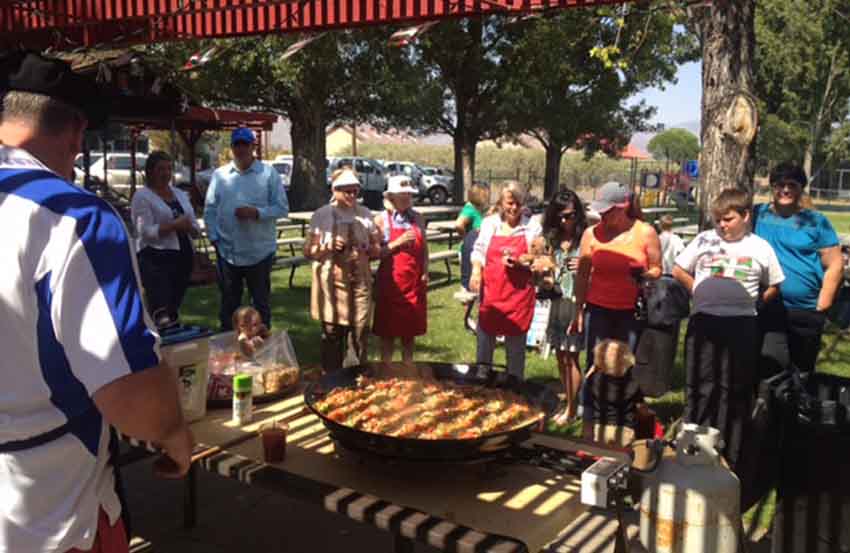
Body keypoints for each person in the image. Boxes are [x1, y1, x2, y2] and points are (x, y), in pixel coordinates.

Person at [0, 51, 193, 553]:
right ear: (75, 136)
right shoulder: (74, 217)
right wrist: (173, 431)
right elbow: (128, 389)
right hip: (50, 511)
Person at [673, 188, 784, 470]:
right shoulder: (704, 241)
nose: (722, 225)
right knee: (700, 384)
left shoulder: (760, 247)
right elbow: (679, 269)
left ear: (745, 216)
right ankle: (692, 448)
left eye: (728, 219)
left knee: (733, 389)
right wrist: (697, 290)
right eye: (718, 220)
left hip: (741, 325)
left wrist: (755, 303)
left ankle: (728, 455)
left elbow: (773, 284)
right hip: (704, 322)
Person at [754, 162, 843, 375]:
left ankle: (799, 409)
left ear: (800, 188)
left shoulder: (815, 221)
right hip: (768, 306)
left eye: (792, 185)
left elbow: (835, 264)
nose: (785, 190)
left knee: (802, 372)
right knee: (772, 367)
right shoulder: (757, 215)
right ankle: (772, 408)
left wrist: (823, 304)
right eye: (780, 185)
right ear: (772, 187)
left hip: (806, 310)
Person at [203, 127, 289, 331]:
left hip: (259, 252)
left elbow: (282, 208)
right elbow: (210, 209)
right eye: (237, 144)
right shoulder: (220, 175)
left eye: (245, 144)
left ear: (253, 147)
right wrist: (214, 237)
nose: (241, 149)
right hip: (228, 252)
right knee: (228, 306)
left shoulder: (268, 174)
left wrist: (257, 212)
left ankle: (262, 352)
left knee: (260, 306)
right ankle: (228, 354)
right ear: (232, 147)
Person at [573, 181, 662, 368]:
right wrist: (579, 308)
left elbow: (657, 269)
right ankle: (591, 397)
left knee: (624, 364)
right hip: (597, 309)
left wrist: (644, 275)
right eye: (600, 211)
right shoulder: (591, 234)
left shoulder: (645, 232)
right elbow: (582, 274)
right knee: (595, 362)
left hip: (631, 311)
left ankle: (623, 397)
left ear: (624, 207)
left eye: (608, 211)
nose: (602, 215)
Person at [304, 168, 382, 372]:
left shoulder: (365, 214)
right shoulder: (321, 215)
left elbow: (377, 248)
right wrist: (327, 247)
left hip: (359, 282)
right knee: (331, 332)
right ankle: (331, 377)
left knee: (360, 330)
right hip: (331, 284)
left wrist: (367, 248)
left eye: (354, 191)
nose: (351, 195)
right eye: (346, 191)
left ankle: (357, 375)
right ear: (335, 191)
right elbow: (309, 251)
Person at [469, 182, 543, 379]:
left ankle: (515, 386)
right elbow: (479, 250)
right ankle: (482, 382)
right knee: (485, 342)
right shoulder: (490, 223)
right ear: (501, 202)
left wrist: (521, 263)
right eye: (510, 203)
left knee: (516, 348)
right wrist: (476, 271)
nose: (514, 208)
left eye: (518, 203)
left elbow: (537, 258)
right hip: (492, 293)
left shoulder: (532, 226)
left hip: (518, 296)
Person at [130, 150, 201, 327]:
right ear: (150, 171)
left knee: (173, 307)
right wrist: (174, 226)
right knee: (160, 310)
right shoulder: (142, 196)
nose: (166, 173)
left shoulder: (180, 194)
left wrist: (191, 228)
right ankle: (158, 344)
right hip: (156, 258)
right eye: (161, 169)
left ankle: (176, 344)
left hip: (183, 255)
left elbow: (194, 224)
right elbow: (145, 231)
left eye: (169, 169)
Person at [539, 189, 588, 424]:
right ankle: (568, 401)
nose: (564, 221)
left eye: (569, 216)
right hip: (558, 301)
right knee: (560, 355)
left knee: (571, 356)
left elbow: (599, 268)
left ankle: (571, 408)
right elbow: (549, 270)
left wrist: (586, 265)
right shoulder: (554, 239)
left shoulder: (587, 237)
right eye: (559, 216)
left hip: (577, 303)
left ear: (578, 213)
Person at [373, 176, 428, 365]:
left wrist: (425, 270)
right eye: (402, 194)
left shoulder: (418, 217)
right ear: (391, 196)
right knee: (388, 332)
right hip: (391, 283)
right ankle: (386, 368)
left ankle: (408, 367)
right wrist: (397, 243)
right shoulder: (381, 220)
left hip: (414, 282)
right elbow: (375, 254)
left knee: (409, 331)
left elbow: (424, 248)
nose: (406, 198)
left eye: (409, 194)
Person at [455, 182, 489, 297]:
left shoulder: (477, 209)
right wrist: (466, 237)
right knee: (468, 285)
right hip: (469, 251)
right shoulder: (469, 209)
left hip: (477, 251)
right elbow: (459, 224)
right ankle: (468, 314)